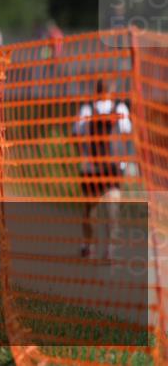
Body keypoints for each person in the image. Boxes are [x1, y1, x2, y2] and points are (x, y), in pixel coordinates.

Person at [73, 79, 131, 260]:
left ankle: (88, 246)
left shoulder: (87, 109)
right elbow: (127, 135)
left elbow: (76, 134)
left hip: (91, 168)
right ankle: (110, 249)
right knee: (112, 208)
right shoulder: (121, 109)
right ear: (112, 90)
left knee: (90, 209)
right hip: (114, 168)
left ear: (96, 90)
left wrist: (84, 156)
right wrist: (125, 162)